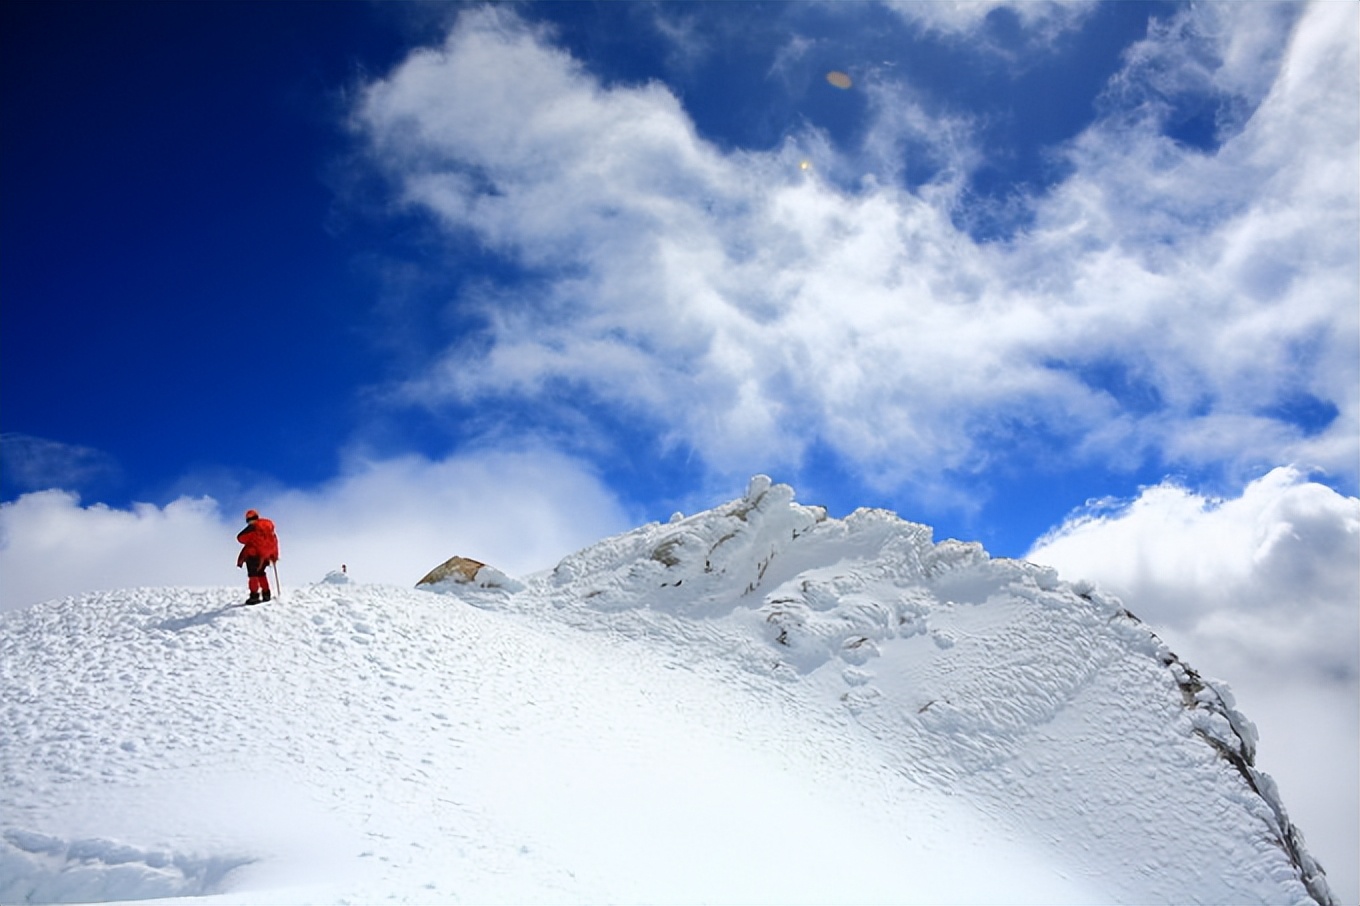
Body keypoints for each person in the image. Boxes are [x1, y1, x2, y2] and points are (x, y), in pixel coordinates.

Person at [236, 509, 279, 604]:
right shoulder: (269, 529)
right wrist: (274, 556)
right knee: (261, 573)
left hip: (253, 555)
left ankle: (254, 596)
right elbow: (274, 543)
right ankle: (266, 594)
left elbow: (240, 538)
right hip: (265, 556)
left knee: (253, 575)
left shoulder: (253, 527)